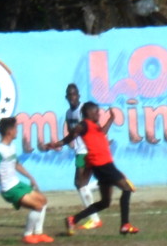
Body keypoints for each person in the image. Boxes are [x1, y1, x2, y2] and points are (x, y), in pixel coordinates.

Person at [44, 101, 139, 236]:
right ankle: (125, 224)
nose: (99, 114)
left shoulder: (94, 126)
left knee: (105, 202)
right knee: (127, 188)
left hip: (103, 165)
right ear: (89, 113)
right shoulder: (84, 125)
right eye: (96, 112)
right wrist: (56, 144)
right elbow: (72, 135)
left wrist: (111, 119)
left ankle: (73, 219)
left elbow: (103, 132)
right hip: (102, 164)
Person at [0, 117, 54, 244]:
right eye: (16, 128)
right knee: (37, 206)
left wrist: (30, 177)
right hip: (9, 189)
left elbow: (16, 164)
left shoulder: (12, 146)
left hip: (17, 184)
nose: (17, 131)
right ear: (9, 131)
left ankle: (38, 233)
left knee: (43, 201)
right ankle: (27, 235)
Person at [63, 84, 101, 230]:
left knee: (80, 184)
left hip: (87, 150)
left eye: (74, 94)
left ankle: (94, 218)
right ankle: (94, 217)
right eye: (69, 95)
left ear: (78, 95)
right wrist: (69, 141)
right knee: (80, 185)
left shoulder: (83, 109)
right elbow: (70, 129)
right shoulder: (68, 113)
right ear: (66, 97)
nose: (72, 97)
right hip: (79, 150)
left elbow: (94, 125)